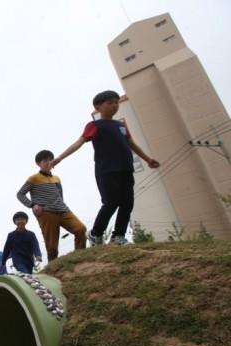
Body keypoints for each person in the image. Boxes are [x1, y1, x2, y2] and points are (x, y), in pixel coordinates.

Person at [51, 90, 160, 245]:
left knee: (127, 203)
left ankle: (118, 236)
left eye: (117, 102)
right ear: (98, 106)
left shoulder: (121, 125)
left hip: (126, 168)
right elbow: (79, 142)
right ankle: (96, 234)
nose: (115, 105)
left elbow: (131, 144)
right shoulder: (94, 125)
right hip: (107, 170)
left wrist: (148, 159)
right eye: (110, 103)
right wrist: (59, 158)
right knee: (111, 202)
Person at [17, 149, 87, 261]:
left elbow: (60, 195)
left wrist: (63, 205)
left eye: (50, 160)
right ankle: (53, 269)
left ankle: (80, 258)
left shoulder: (56, 178)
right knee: (52, 247)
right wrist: (33, 205)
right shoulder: (33, 178)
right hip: (47, 213)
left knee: (80, 229)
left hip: (63, 211)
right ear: (38, 164)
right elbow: (20, 194)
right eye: (45, 161)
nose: (48, 163)